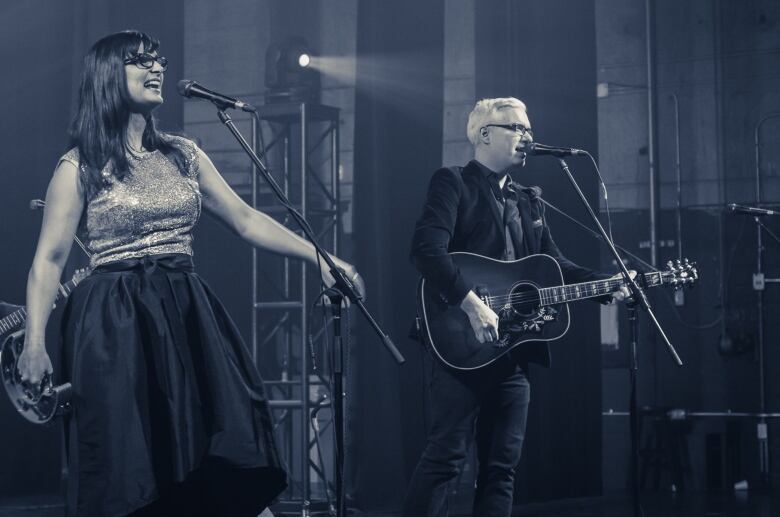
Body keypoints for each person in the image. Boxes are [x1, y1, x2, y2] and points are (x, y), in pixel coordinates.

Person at [18, 30, 363, 517]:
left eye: (158, 59)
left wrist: (321, 257)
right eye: (140, 61)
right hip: (115, 322)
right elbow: (48, 260)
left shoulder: (182, 153)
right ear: (107, 78)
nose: (157, 68)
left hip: (184, 311)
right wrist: (35, 343)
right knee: (131, 460)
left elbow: (246, 219)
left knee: (214, 445)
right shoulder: (80, 165)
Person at [404, 97, 632, 516]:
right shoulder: (453, 182)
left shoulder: (530, 199)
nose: (528, 137)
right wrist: (471, 305)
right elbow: (425, 251)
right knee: (446, 458)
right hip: (460, 344)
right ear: (486, 134)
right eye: (517, 128)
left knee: (501, 468)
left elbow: (553, 266)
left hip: (513, 350)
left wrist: (605, 286)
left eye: (529, 129)